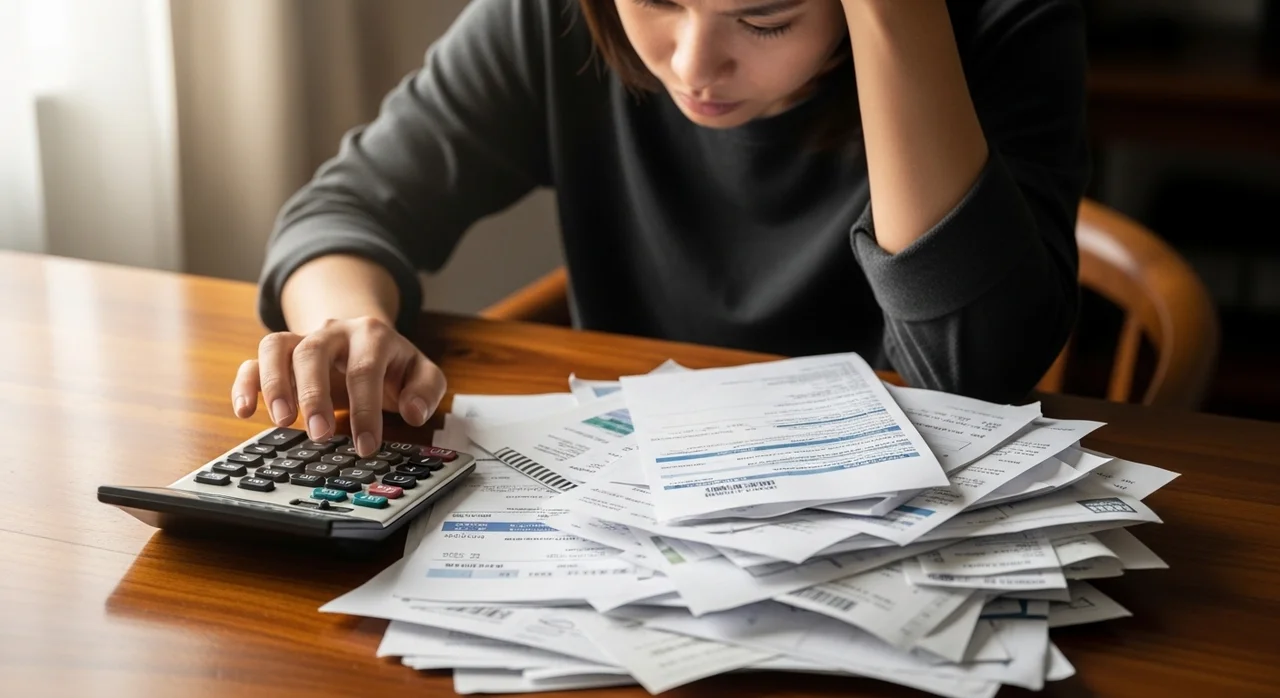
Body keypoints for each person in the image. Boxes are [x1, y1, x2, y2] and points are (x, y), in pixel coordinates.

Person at [232, 0, 1090, 459]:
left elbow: (975, 370)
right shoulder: (555, 16)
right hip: (629, 512)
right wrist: (349, 324)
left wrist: (897, 17)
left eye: (764, 19)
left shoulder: (998, 23)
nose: (691, 65)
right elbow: (345, 208)